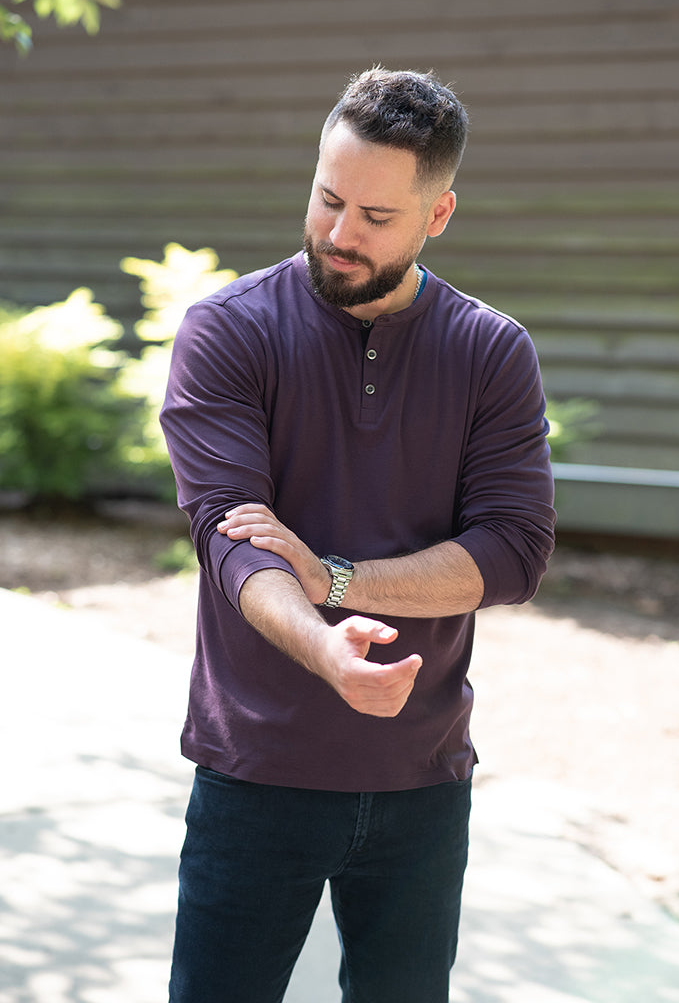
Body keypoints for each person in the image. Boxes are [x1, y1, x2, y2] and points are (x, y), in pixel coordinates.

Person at [160, 66, 556, 1003]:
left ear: (438, 216)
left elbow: (512, 552)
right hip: (256, 770)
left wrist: (336, 580)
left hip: (422, 780)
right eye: (328, 198)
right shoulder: (229, 332)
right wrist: (323, 651)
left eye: (376, 217)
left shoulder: (491, 351)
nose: (340, 234)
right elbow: (234, 541)